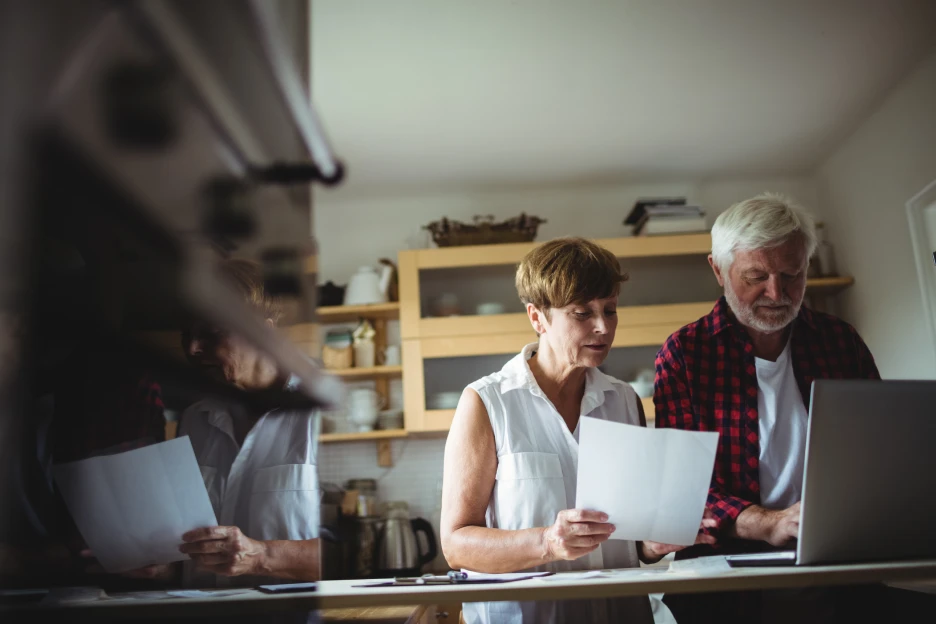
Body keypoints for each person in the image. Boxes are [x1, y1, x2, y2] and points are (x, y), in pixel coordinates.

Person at [441, 237, 714, 624]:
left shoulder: (625, 401)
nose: (603, 327)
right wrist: (547, 542)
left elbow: (633, 541)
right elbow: (456, 544)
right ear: (538, 318)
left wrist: (654, 544)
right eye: (582, 313)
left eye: (611, 310)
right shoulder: (487, 404)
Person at [654, 193, 880, 622]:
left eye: (791, 275)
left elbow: (878, 454)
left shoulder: (840, 341)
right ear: (718, 269)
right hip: (725, 587)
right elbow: (681, 490)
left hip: (839, 574)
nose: (777, 293)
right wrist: (768, 522)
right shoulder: (686, 353)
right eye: (755, 276)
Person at [175, 258, 321, 585]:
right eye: (186, 334)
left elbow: (356, 553)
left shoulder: (321, 412)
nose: (193, 349)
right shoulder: (194, 419)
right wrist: (160, 563)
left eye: (211, 333)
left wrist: (261, 556)